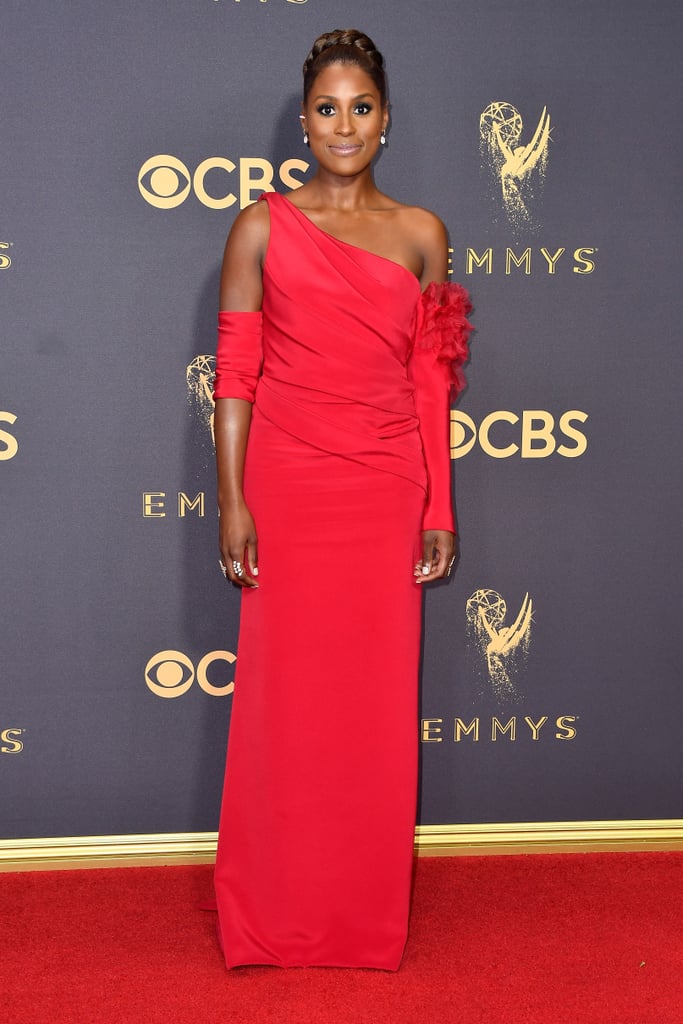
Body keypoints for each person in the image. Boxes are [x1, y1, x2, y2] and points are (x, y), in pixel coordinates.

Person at [212, 28, 472, 971]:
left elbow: (431, 383)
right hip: (287, 488)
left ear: (387, 119)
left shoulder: (421, 235)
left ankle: (361, 918)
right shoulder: (258, 226)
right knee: (286, 707)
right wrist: (233, 499)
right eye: (327, 108)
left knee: (366, 710)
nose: (344, 125)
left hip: (382, 492)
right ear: (304, 120)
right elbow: (235, 376)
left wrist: (438, 504)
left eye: (361, 107)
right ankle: (269, 912)